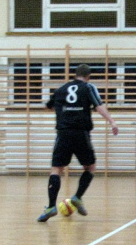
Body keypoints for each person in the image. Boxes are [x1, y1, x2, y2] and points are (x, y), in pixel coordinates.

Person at [37, 64, 119, 222]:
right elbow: (99, 106)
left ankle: (50, 206)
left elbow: (48, 106)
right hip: (81, 133)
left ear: (75, 75)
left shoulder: (61, 89)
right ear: (88, 76)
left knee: (56, 169)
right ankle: (77, 197)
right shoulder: (88, 87)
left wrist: (65, 111)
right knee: (90, 167)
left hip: (63, 133)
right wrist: (112, 121)